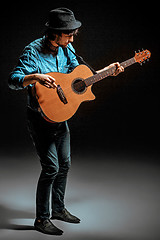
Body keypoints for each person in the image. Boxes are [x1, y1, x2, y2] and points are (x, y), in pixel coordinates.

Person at [8, 8, 124, 235]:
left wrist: (107, 71)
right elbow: (12, 80)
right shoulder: (33, 51)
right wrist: (35, 77)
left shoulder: (66, 48)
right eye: (69, 34)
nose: (72, 39)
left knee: (66, 164)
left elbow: (81, 77)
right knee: (51, 167)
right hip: (40, 118)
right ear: (55, 33)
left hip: (60, 116)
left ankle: (58, 209)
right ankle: (41, 220)